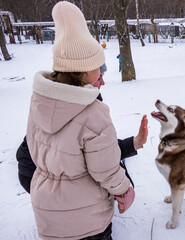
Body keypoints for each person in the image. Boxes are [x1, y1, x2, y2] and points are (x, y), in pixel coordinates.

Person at [19, 2, 148, 239]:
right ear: (86, 70)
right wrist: (124, 190)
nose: (102, 76)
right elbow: (106, 169)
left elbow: (37, 153)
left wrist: (134, 143)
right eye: (99, 69)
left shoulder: (40, 101)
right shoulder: (93, 112)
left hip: (47, 217)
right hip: (87, 221)